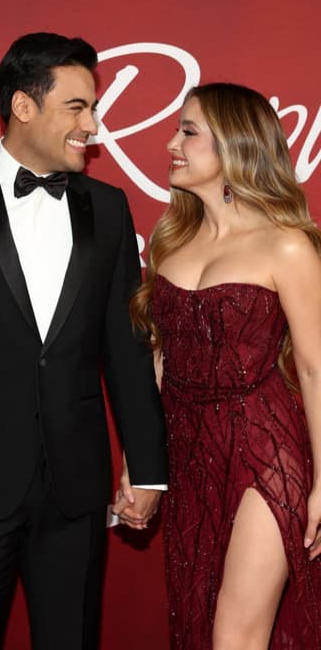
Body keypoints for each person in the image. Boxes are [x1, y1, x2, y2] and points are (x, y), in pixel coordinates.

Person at [0, 32, 169, 648]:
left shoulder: (111, 207)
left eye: (94, 108)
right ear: (24, 106)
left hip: (76, 490)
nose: (93, 126)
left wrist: (148, 468)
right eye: (78, 107)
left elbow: (126, 349)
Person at [128, 83, 321, 648]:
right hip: (190, 456)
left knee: (235, 638)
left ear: (236, 147)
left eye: (188, 131)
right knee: (195, 621)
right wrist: (137, 462)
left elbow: (313, 368)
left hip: (266, 453)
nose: (171, 143)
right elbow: (159, 361)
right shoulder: (170, 243)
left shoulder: (286, 246)